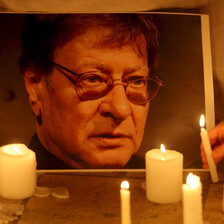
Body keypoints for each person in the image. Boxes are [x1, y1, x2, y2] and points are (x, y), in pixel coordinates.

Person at [19, 14, 163, 169]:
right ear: (35, 84)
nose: (121, 109)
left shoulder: (157, 181)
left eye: (137, 81)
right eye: (93, 79)